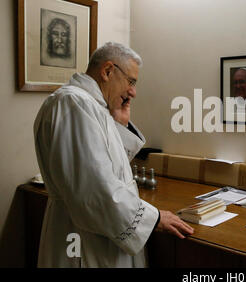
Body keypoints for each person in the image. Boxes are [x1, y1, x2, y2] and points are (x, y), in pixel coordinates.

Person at [33, 42, 194, 267]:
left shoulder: (92, 106)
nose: (133, 92)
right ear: (108, 71)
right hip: (84, 239)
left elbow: (109, 167)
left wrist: (118, 123)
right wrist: (154, 218)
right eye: (131, 81)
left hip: (97, 230)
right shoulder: (74, 103)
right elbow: (94, 189)